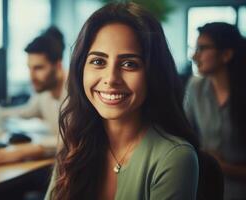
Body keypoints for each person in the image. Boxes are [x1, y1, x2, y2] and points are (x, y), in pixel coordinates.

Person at [45, 2, 199, 199]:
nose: (111, 79)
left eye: (129, 64)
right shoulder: (75, 144)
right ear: (81, 68)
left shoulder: (175, 157)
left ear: (153, 74)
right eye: (98, 61)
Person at [0, 26, 67, 166]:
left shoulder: (77, 90)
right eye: (29, 68)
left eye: (38, 68)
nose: (31, 77)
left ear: (58, 66)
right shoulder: (44, 91)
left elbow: (70, 140)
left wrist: (20, 152)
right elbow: (26, 111)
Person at [185, 22, 246, 199]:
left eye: (202, 48)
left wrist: (224, 166)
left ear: (226, 54)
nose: (194, 56)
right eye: (195, 48)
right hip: (205, 189)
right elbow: (185, 133)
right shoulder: (195, 87)